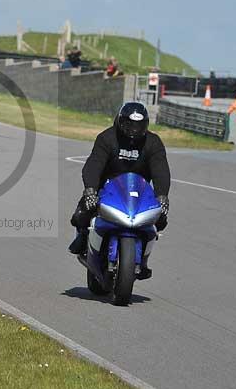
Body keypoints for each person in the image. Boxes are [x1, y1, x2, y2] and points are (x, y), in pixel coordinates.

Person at [67, 101, 170, 279]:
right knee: (82, 213)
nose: (134, 130)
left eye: (139, 126)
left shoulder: (153, 142)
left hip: (139, 191)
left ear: (146, 125)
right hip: (107, 186)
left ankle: (143, 258)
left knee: (161, 218)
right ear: (120, 122)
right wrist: (90, 190)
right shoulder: (107, 138)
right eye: (130, 125)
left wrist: (162, 196)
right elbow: (94, 164)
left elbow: (161, 170)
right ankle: (83, 238)